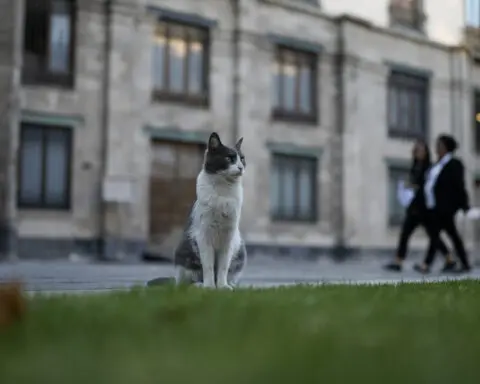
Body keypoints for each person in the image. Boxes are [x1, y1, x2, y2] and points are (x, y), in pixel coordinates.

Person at [384, 139, 454, 272]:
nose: (418, 153)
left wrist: (415, 187)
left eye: (420, 150)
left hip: (426, 209)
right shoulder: (415, 166)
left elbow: (428, 187)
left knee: (434, 236)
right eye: (416, 150)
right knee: (405, 233)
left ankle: (447, 258)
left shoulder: (430, 168)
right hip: (414, 208)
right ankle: (399, 260)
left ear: (426, 152)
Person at [414, 134, 471, 274]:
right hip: (434, 206)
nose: (436, 148)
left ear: (446, 148)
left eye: (439, 145)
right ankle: (460, 263)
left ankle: (428, 264)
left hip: (446, 207)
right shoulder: (437, 164)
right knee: (446, 235)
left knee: (437, 235)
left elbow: (459, 185)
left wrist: (464, 204)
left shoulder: (454, 164)